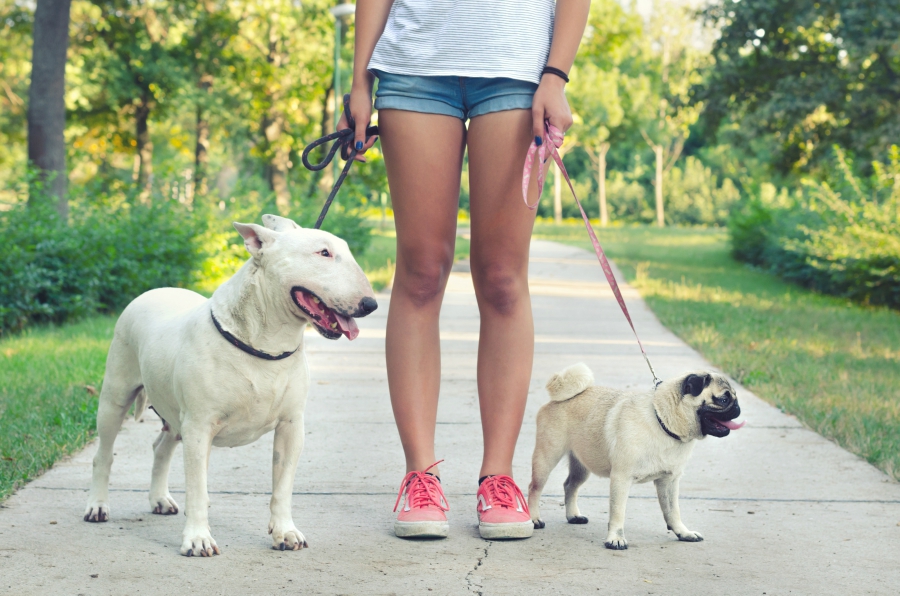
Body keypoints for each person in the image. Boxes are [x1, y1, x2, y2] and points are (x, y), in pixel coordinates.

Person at [341, 0, 590, 540]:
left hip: (518, 70)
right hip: (413, 67)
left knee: (502, 279)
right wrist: (360, 81)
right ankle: (420, 476)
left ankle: (498, 478)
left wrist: (556, 75)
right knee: (420, 272)